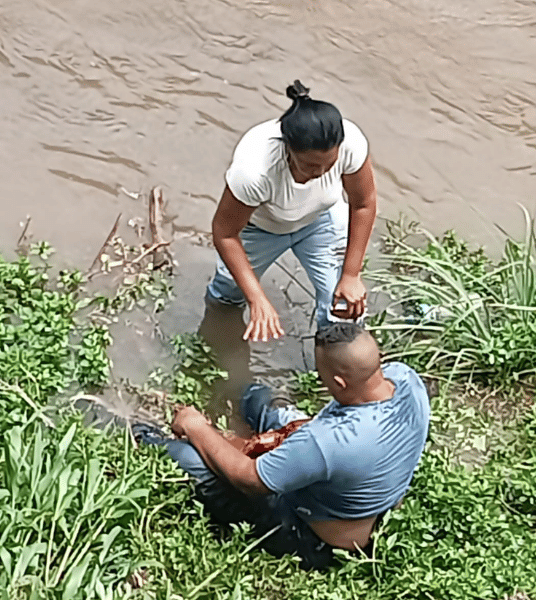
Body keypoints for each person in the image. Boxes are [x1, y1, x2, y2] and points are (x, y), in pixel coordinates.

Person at [133, 323, 430, 569]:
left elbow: (247, 477)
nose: (320, 380)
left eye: (322, 376)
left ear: (339, 383)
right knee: (266, 404)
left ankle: (137, 434)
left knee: (187, 457)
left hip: (311, 535)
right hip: (364, 493)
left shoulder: (326, 442)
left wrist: (196, 426)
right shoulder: (406, 379)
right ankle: (236, 387)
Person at [205, 79, 378, 342]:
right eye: (309, 165)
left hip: (321, 221)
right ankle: (216, 340)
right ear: (288, 149)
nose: (319, 173)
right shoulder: (256, 171)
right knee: (229, 294)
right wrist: (257, 299)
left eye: (328, 165)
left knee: (344, 308)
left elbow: (363, 203)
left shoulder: (350, 143)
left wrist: (351, 274)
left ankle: (336, 371)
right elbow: (224, 233)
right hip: (262, 229)